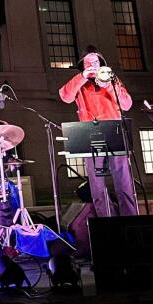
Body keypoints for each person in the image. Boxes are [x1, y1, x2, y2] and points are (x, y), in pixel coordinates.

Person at [59, 50, 138, 218]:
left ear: (102, 65)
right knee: (97, 184)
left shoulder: (112, 79)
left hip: (114, 132)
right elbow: (65, 96)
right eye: (88, 63)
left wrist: (109, 85)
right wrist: (82, 77)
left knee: (123, 181)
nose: (92, 66)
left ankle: (130, 219)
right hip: (90, 134)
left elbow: (127, 104)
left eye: (95, 62)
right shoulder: (80, 84)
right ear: (83, 67)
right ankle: (106, 219)